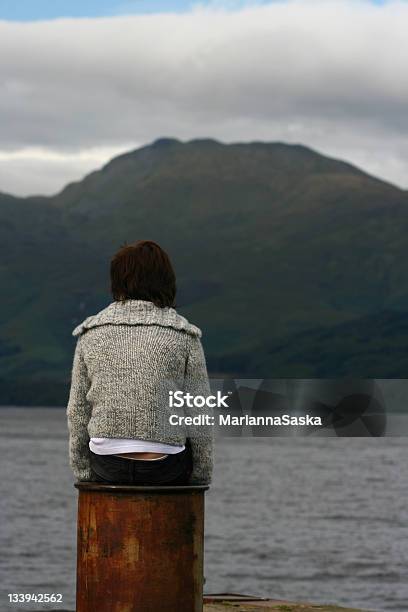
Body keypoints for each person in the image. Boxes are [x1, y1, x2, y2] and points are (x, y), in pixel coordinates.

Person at [66, 240, 213, 486]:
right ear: (166, 280)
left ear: (117, 281)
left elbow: (78, 411)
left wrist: (83, 473)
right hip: (165, 465)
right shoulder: (184, 335)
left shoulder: (90, 333)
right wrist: (200, 475)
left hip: (106, 463)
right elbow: (199, 414)